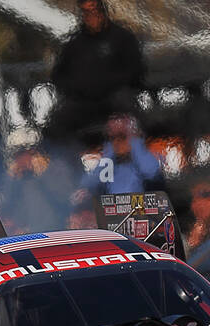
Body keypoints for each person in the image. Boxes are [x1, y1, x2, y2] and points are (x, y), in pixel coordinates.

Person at [49, 0, 146, 145]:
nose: (91, 16)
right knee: (58, 120)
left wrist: (108, 84)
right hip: (82, 101)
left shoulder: (122, 39)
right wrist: (76, 89)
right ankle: (65, 161)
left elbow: (136, 71)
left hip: (114, 98)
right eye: (85, 12)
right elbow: (58, 75)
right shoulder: (74, 44)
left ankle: (134, 153)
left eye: (94, 11)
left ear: (102, 12)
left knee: (127, 106)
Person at [74, 114, 162, 199]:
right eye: (113, 137)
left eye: (121, 136)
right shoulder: (109, 152)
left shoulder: (138, 148)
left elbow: (152, 172)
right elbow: (91, 181)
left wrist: (133, 146)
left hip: (140, 206)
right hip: (113, 208)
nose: (118, 141)